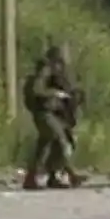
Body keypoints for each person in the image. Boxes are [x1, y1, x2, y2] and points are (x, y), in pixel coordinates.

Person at [21, 46, 86, 190]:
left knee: (46, 145)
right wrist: (55, 94)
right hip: (45, 113)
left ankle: (47, 177)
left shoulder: (57, 73)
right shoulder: (46, 70)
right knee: (60, 140)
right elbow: (38, 89)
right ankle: (70, 174)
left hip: (54, 114)